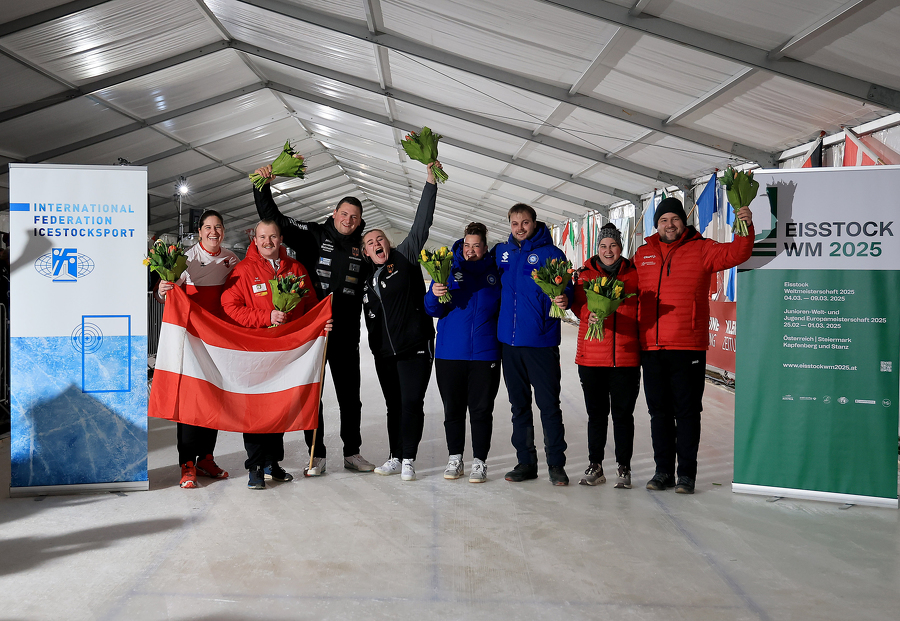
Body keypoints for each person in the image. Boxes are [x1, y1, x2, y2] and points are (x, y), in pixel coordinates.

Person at [252, 164, 373, 476]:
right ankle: (316, 454)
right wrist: (263, 185)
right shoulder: (313, 235)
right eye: (344, 214)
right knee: (312, 395)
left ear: (360, 222)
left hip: (345, 334)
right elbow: (275, 220)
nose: (348, 220)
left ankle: (353, 452)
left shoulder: (363, 249)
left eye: (354, 217)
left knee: (351, 398)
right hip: (312, 332)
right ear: (334, 213)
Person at [634, 197, 754, 494]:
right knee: (658, 412)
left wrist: (745, 226)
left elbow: (738, 252)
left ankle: (686, 474)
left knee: (686, 412)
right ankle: (663, 471)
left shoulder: (703, 249)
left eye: (674, 219)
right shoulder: (643, 254)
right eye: (664, 220)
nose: (669, 224)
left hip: (687, 346)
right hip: (651, 347)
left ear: (683, 222)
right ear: (656, 224)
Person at [221, 219, 329, 490]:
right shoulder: (243, 270)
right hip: (255, 351)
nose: (268, 242)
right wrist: (265, 316)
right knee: (256, 408)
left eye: (273, 236)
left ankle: (272, 461)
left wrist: (321, 322)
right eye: (262, 237)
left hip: (286, 352)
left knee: (279, 404)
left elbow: (310, 305)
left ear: (281, 239)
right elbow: (229, 305)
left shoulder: (295, 268)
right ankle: (255, 465)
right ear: (254, 239)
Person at [361, 162, 440, 482]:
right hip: (384, 354)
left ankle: (409, 457)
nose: (377, 244)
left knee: (410, 402)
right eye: (370, 242)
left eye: (380, 239)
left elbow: (422, 223)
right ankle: (395, 455)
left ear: (388, 244)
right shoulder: (367, 280)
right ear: (365, 252)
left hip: (414, 347)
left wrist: (431, 181)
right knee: (394, 406)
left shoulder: (405, 257)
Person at [157, 210, 239, 489]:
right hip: (190, 341)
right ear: (200, 232)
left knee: (214, 398)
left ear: (224, 231)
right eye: (207, 227)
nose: (213, 232)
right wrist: (162, 289)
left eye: (218, 227)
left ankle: (206, 458)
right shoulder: (185, 259)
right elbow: (165, 293)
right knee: (191, 402)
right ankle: (187, 463)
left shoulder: (231, 259)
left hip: (217, 343)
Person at [495, 203, 574, 486]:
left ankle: (556, 464)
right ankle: (526, 462)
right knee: (519, 407)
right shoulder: (502, 253)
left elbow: (569, 289)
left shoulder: (551, 254)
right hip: (510, 344)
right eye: (515, 223)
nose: (520, 228)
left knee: (548, 406)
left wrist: (566, 299)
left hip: (540, 343)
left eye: (525, 223)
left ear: (534, 223)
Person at [424, 222, 502, 483]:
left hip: (485, 353)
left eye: (476, 246)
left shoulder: (495, 274)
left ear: (484, 247)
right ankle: (455, 458)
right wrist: (434, 294)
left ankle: (480, 461)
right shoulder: (447, 269)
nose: (470, 250)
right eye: (467, 245)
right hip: (450, 354)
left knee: (481, 410)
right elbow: (433, 310)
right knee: (453, 409)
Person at [569, 223, 640, 489]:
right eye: (603, 246)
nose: (608, 250)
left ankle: (624, 467)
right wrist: (591, 314)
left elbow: (641, 306)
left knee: (623, 415)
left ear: (620, 248)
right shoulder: (585, 274)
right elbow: (577, 305)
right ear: (596, 248)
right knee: (596, 415)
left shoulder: (634, 273)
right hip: (591, 358)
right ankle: (595, 465)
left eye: (613, 245)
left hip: (625, 357)